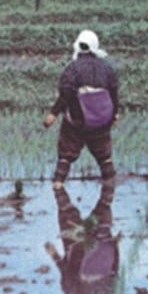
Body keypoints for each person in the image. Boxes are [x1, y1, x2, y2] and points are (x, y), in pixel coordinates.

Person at [43, 30, 120, 187]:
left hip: (77, 122)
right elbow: (114, 93)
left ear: (78, 46)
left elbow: (66, 94)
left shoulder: (72, 68)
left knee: (66, 154)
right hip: (101, 121)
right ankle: (110, 188)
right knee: (104, 156)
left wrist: (53, 114)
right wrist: (115, 114)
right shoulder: (107, 68)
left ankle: (58, 185)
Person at [44, 179, 119, 294]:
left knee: (104, 205)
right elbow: (66, 272)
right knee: (66, 210)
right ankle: (58, 187)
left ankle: (109, 181)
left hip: (102, 242)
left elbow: (115, 268)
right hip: (77, 245)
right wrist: (54, 255)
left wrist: (115, 244)